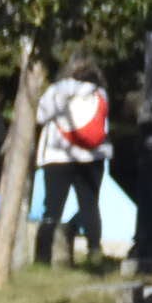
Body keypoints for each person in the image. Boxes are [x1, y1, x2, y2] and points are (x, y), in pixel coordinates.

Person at [34, 57, 110, 266]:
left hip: (59, 156)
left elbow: (40, 116)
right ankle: (94, 252)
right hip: (93, 157)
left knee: (52, 208)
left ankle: (43, 257)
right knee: (90, 205)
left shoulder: (57, 90)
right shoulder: (100, 93)